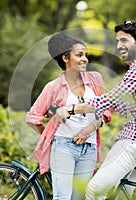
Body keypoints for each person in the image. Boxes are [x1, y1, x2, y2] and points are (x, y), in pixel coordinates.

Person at [56, 20, 136, 199]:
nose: (119, 46)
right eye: (117, 41)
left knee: (95, 190)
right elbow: (125, 103)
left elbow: (110, 99)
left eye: (124, 40)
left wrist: (71, 109)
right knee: (123, 194)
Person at [25, 32, 111, 200]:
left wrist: (91, 127)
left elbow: (106, 112)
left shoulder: (95, 80)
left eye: (85, 55)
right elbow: (32, 118)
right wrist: (50, 137)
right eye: (79, 55)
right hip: (63, 146)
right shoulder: (54, 87)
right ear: (65, 58)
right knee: (62, 197)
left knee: (78, 197)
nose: (85, 59)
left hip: (90, 148)